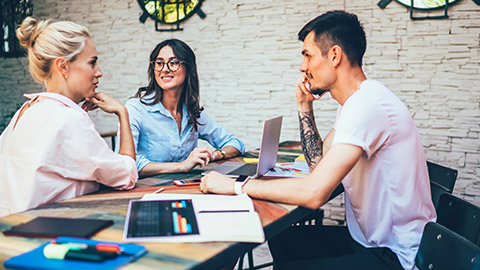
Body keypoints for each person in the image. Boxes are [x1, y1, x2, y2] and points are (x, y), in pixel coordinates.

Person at [200, 10, 436, 270]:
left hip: (396, 256)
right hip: (367, 242)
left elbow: (315, 194)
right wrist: (304, 108)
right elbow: (318, 165)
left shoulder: (367, 106)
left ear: (334, 55)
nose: (303, 67)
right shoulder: (355, 103)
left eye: (307, 55)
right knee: (284, 239)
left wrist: (236, 186)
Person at [0, 17, 138, 218]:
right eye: (92, 62)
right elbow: (127, 175)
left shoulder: (26, 111)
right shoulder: (68, 120)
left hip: (15, 234)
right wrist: (122, 113)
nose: (99, 72)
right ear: (63, 67)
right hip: (55, 235)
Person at [119, 39, 244, 178]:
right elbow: (125, 163)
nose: (165, 69)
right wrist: (182, 165)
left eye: (173, 63)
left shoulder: (192, 113)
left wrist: (214, 155)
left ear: (188, 68)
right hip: (144, 190)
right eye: (159, 63)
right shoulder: (135, 109)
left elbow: (235, 143)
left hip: (182, 188)